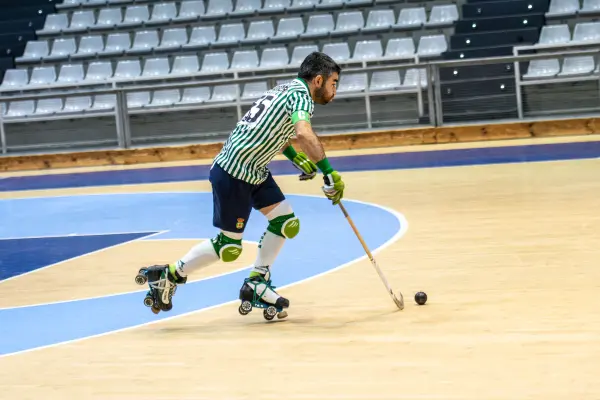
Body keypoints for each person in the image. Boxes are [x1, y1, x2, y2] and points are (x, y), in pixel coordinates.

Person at [138, 52, 346, 316]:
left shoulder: (284, 90)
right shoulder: (300, 97)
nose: (335, 90)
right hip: (233, 172)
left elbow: (272, 130)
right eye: (334, 83)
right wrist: (328, 173)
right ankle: (168, 275)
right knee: (228, 247)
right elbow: (303, 132)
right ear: (318, 80)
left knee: (286, 222)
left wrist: (295, 156)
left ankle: (257, 282)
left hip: (254, 169)